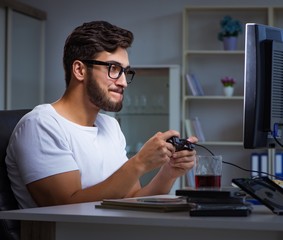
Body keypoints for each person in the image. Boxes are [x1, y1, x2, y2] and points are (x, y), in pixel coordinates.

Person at [5, 21, 197, 209]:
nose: (123, 81)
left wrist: (169, 173)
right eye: (113, 69)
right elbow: (65, 209)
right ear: (80, 70)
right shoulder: (41, 125)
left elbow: (132, 199)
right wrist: (139, 162)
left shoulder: (110, 126)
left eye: (125, 71)